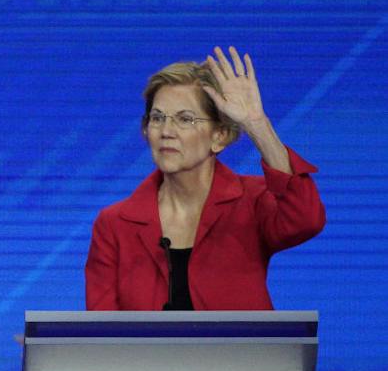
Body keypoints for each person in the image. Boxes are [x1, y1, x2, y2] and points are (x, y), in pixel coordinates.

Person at [85, 46, 325, 310]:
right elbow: (102, 333)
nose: (166, 131)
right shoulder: (114, 225)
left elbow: (306, 220)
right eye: (157, 118)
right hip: (143, 354)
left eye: (185, 119)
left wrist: (257, 124)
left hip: (242, 353)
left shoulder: (251, 201)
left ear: (219, 136)